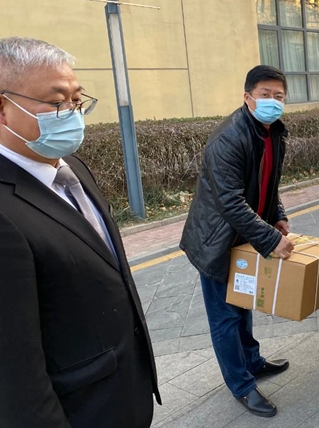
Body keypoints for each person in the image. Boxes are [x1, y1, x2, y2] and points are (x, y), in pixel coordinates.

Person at [0, 37, 159, 427]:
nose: (72, 113)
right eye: (57, 102)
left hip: (126, 391)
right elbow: (14, 370)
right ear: (3, 109)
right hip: (81, 411)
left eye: (76, 100)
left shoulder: (72, 167)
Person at [180, 65, 294, 418]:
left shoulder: (272, 132)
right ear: (248, 97)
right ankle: (241, 385)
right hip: (217, 241)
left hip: (245, 236)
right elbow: (229, 201)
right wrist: (270, 239)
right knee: (226, 318)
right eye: (265, 95)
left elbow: (267, 182)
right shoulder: (229, 138)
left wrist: (278, 213)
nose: (272, 102)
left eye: (279, 96)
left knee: (243, 303)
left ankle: (253, 362)